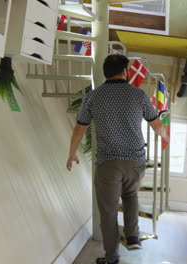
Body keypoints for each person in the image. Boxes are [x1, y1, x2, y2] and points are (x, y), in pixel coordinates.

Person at [66, 54, 169, 264]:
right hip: (136, 162)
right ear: (125, 71)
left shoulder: (93, 96)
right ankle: (132, 236)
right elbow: (156, 124)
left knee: (108, 212)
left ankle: (112, 257)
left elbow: (80, 127)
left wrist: (72, 153)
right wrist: (166, 137)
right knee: (131, 196)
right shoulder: (139, 95)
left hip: (108, 164)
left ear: (106, 72)